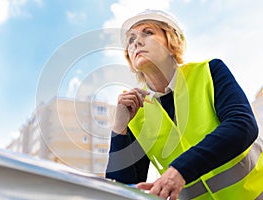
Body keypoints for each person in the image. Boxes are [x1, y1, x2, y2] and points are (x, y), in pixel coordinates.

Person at [106, 9, 263, 200]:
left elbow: (242, 126)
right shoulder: (135, 111)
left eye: (148, 32)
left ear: (171, 41)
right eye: (131, 39)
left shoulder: (209, 71)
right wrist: (119, 130)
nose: (136, 42)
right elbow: (122, 190)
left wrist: (180, 170)